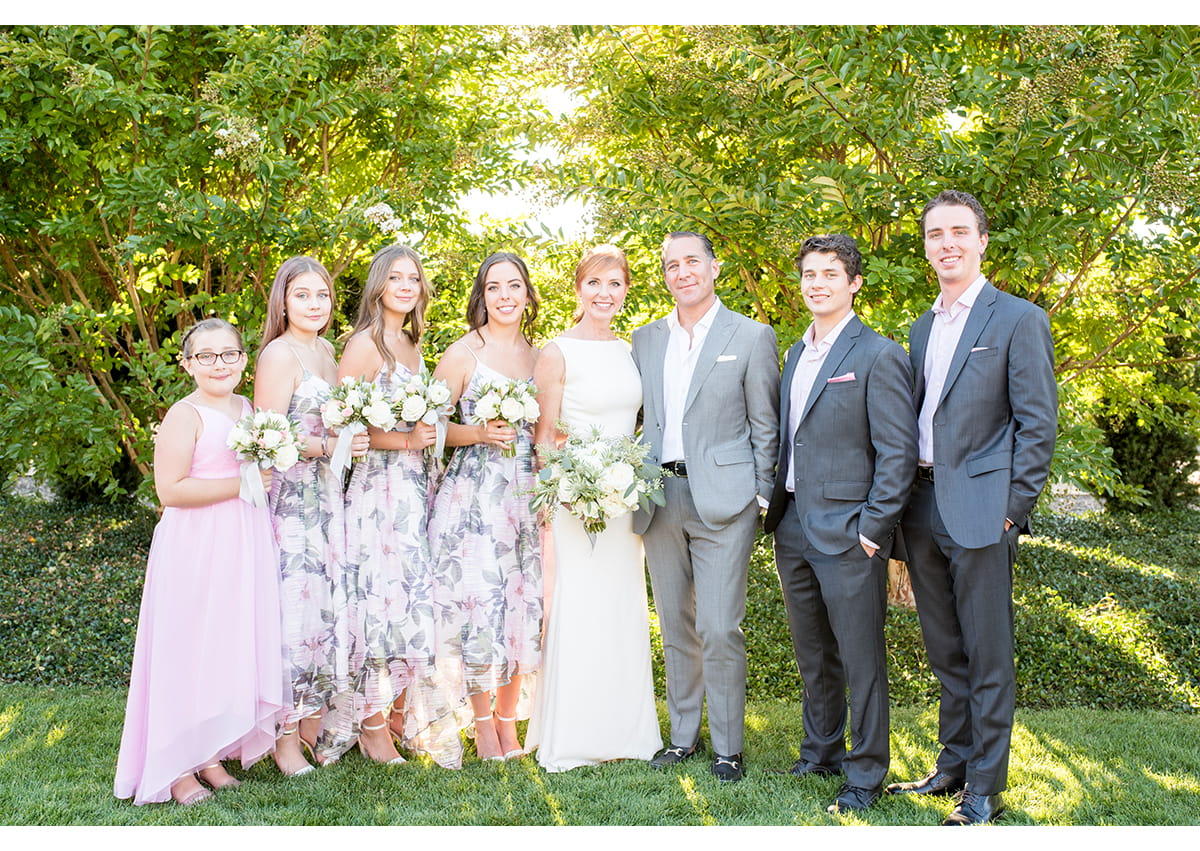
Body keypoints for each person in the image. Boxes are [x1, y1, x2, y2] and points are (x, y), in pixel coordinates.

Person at [888, 190, 1057, 825]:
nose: (947, 243)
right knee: (944, 650)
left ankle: (984, 787)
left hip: (985, 511)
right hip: (922, 508)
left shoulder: (1016, 319)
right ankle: (952, 764)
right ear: (927, 246)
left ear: (982, 241)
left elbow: (1037, 426)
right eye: (935, 234)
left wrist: (1013, 510)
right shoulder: (922, 325)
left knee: (987, 653)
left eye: (960, 231)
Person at [762, 235, 917, 813]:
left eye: (831, 273)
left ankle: (866, 773)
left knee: (861, 658)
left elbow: (897, 453)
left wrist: (873, 529)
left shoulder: (879, 354)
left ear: (853, 283)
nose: (818, 283)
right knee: (813, 651)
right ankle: (820, 752)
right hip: (793, 524)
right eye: (809, 274)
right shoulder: (795, 354)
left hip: (852, 531)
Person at [114, 318, 285, 805]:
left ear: (243, 360)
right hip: (195, 544)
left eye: (228, 353)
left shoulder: (248, 408)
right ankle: (176, 767)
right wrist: (243, 486)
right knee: (187, 648)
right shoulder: (183, 415)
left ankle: (209, 755)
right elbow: (169, 490)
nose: (218, 364)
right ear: (187, 363)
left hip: (241, 541)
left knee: (222, 646)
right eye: (205, 356)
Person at [631, 231, 779, 782]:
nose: (682, 272)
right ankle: (684, 737)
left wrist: (762, 495)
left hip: (726, 499)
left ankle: (728, 746)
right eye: (671, 265)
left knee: (720, 627)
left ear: (714, 267)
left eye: (692, 261)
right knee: (675, 625)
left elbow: (766, 422)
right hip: (658, 497)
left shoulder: (752, 334)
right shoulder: (644, 339)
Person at [525, 244, 663, 772]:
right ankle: (574, 732)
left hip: (625, 499)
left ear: (627, 290)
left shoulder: (632, 351)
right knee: (579, 608)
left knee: (624, 607)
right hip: (576, 498)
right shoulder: (557, 351)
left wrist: (623, 478)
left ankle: (628, 730)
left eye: (616, 284)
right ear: (578, 288)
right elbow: (544, 438)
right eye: (595, 284)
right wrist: (568, 487)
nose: (605, 294)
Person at [425, 251, 543, 766]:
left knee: (522, 606)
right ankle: (480, 723)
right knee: (479, 609)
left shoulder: (543, 357)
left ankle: (508, 718)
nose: (505, 296)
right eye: (494, 287)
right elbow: (425, 428)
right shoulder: (462, 354)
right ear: (482, 295)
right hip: (473, 499)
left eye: (514, 285)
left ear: (527, 294)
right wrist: (475, 433)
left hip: (525, 496)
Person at [255, 256, 365, 774]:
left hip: (327, 500)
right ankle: (283, 740)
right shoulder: (279, 355)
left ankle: (313, 724)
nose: (314, 304)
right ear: (283, 300)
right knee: (294, 617)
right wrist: (326, 446)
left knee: (323, 612)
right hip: (293, 503)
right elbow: (268, 436)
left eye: (321, 294)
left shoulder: (325, 350)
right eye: (302, 295)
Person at [339, 244, 438, 766]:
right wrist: (404, 442)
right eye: (395, 277)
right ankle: (370, 727)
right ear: (378, 284)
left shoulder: (411, 343)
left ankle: (394, 714)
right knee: (376, 603)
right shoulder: (364, 344)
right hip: (378, 489)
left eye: (414, 278)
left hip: (412, 489)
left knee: (405, 603)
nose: (406, 286)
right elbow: (342, 424)